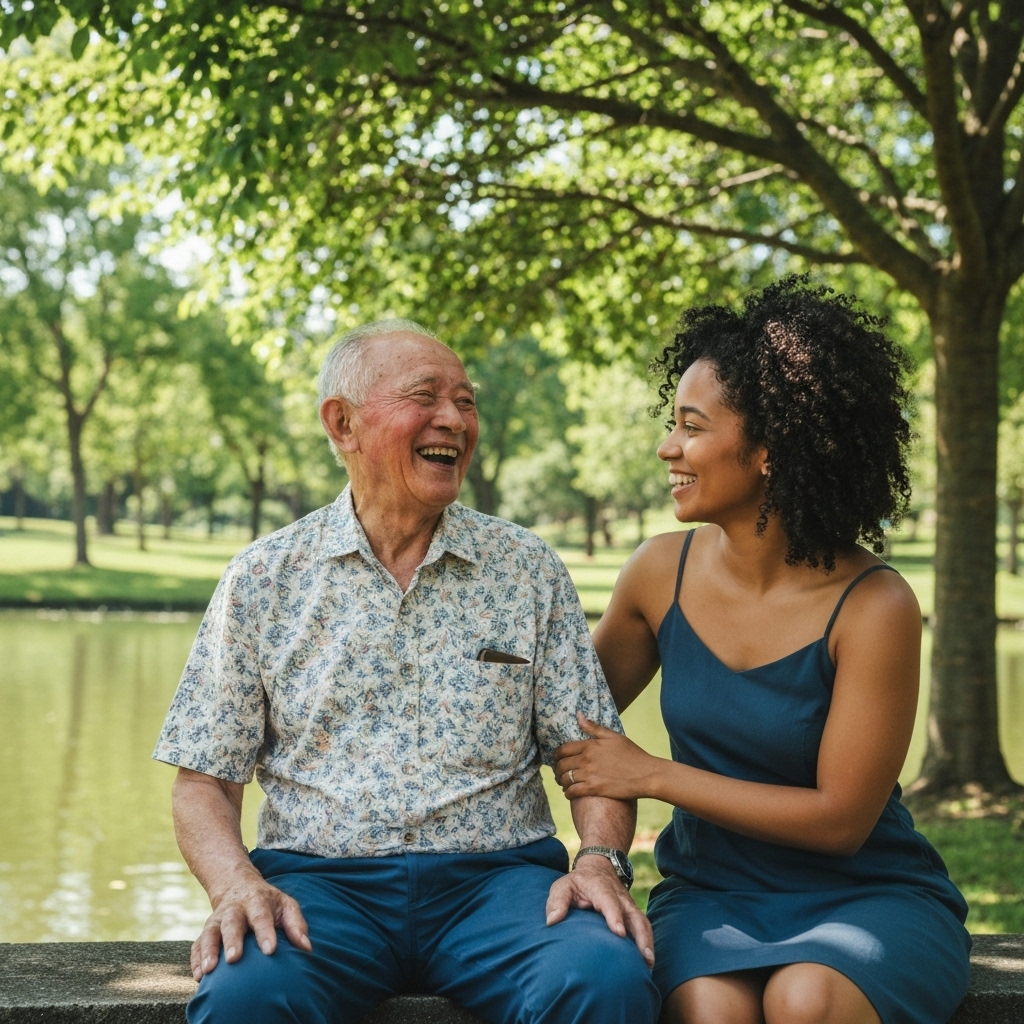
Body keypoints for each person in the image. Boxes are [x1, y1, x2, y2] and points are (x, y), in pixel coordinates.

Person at [154, 319, 659, 1024]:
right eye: (425, 397)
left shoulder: (527, 569)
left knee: (604, 976)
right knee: (246, 995)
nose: (453, 419)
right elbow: (205, 778)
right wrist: (236, 884)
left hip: (502, 885)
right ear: (343, 423)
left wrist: (599, 862)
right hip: (320, 888)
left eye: (465, 401)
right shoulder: (263, 579)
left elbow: (591, 755)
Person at [554, 279, 971, 1024]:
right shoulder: (657, 573)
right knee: (710, 1008)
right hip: (711, 895)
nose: (667, 447)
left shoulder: (875, 605)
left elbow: (840, 820)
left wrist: (655, 775)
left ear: (770, 450)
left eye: (691, 427)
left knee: (804, 1000)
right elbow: (562, 716)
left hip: (867, 894)